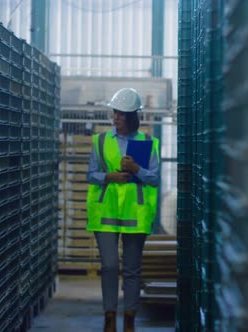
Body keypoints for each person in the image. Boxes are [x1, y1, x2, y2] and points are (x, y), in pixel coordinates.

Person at [86, 88, 160, 332]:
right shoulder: (100, 141)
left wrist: (137, 169)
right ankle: (109, 318)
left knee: (131, 268)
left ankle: (129, 319)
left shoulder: (147, 143)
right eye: (115, 112)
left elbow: (155, 179)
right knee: (109, 266)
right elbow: (91, 175)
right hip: (106, 213)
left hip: (134, 215)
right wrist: (108, 176)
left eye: (120, 114)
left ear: (132, 116)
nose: (115, 117)